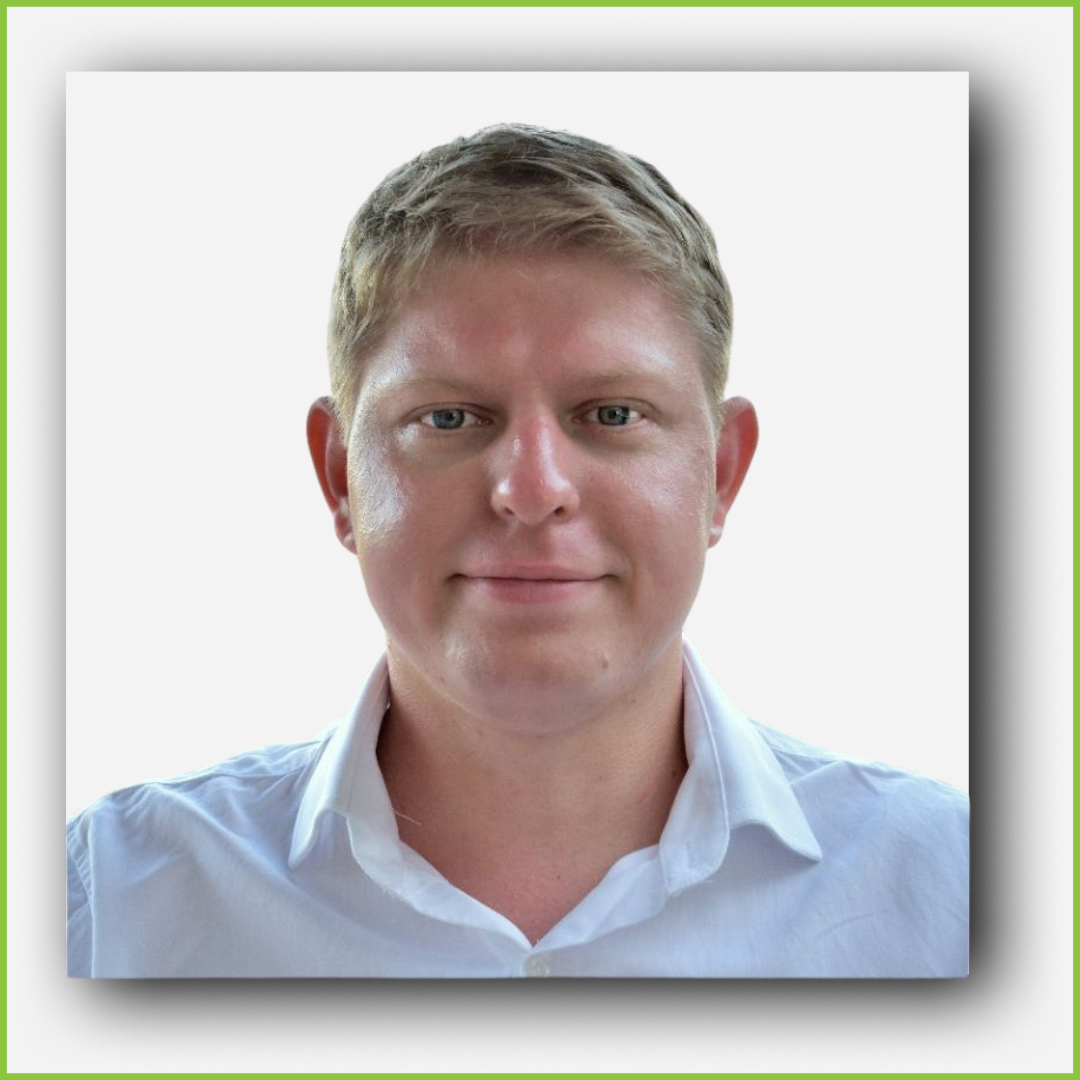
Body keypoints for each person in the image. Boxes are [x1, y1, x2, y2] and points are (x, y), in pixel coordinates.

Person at [67, 124, 968, 978]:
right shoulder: (105, 906)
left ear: (721, 475)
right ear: (339, 475)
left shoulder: (960, 895)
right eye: (449, 417)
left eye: (612, 414)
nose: (533, 489)